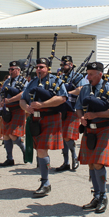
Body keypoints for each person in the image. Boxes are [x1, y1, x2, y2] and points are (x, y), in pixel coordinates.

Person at [75, 62, 109, 214]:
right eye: (87, 74)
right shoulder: (85, 89)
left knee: (98, 163)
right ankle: (96, 196)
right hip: (89, 130)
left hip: (104, 129)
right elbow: (77, 108)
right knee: (91, 163)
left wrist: (96, 115)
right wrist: (81, 117)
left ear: (100, 75)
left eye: (91, 74)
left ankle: (103, 196)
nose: (87, 77)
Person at [20, 58, 67, 197]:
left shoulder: (56, 81)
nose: (39, 69)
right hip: (35, 119)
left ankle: (45, 183)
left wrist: (43, 105)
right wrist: (27, 108)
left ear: (48, 68)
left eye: (42, 67)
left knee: (41, 150)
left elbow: (62, 98)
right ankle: (45, 181)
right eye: (37, 67)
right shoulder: (32, 82)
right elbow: (22, 99)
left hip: (50, 117)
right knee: (40, 150)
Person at [56, 55, 85, 172]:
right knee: (62, 136)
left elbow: (81, 89)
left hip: (73, 108)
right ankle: (66, 162)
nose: (63, 66)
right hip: (61, 108)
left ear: (71, 65)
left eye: (65, 64)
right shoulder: (61, 77)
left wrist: (67, 93)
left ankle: (74, 157)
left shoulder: (78, 76)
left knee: (68, 136)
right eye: (62, 64)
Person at [0, 61, 27, 166]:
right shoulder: (7, 81)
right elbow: (2, 92)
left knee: (13, 135)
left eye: (12, 69)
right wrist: (0, 101)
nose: (10, 71)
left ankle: (24, 150)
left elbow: (23, 94)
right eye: (9, 69)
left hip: (17, 108)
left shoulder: (23, 81)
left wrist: (10, 100)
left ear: (18, 70)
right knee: (6, 135)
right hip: (7, 109)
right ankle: (9, 158)